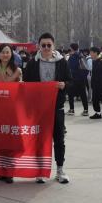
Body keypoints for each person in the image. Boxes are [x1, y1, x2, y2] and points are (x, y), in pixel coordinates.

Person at [23, 32, 72, 184]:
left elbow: (71, 81)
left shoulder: (62, 62)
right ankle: (41, 171)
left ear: (53, 46)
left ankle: (60, 170)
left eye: (48, 45)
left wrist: (64, 85)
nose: (46, 48)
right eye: (43, 45)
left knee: (59, 139)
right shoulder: (32, 63)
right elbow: (26, 84)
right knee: (40, 140)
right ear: (38, 46)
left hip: (57, 107)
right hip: (39, 109)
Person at [0, 43, 22, 183]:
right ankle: (1, 169)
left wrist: (22, 86)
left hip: (11, 110)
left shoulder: (17, 70)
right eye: (2, 52)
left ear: (11, 54)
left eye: (7, 52)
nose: (5, 55)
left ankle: (10, 171)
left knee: (10, 140)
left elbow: (21, 91)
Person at [67, 43, 89, 116]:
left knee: (70, 94)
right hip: (82, 78)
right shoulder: (81, 55)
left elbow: (71, 68)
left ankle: (71, 109)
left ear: (71, 48)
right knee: (83, 94)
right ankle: (86, 110)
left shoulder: (73, 56)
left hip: (74, 78)